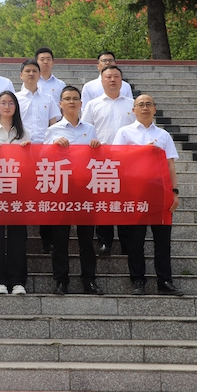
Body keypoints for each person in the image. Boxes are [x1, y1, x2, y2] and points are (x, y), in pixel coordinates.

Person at [113, 94, 182, 296]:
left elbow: (170, 165)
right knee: (136, 241)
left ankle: (165, 281)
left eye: (148, 104)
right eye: (141, 104)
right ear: (133, 110)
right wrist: (143, 151)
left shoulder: (163, 135)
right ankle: (138, 280)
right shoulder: (124, 132)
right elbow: (116, 158)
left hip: (160, 193)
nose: (145, 108)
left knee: (163, 241)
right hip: (134, 192)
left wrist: (174, 192)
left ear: (155, 109)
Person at [43, 86, 104, 295]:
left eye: (75, 99)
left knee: (86, 239)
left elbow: (98, 159)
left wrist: (97, 147)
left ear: (81, 103)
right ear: (60, 104)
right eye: (67, 99)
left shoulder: (90, 129)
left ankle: (89, 281)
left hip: (85, 188)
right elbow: (42, 158)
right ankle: (61, 281)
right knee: (60, 239)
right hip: (61, 188)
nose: (71, 102)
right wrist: (53, 146)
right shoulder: (53, 131)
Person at [81, 65, 135, 256]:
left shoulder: (132, 104)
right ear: (102, 80)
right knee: (104, 201)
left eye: (116, 76)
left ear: (122, 80)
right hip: (101, 159)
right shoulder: (93, 104)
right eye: (108, 77)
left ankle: (127, 242)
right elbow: (85, 130)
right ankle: (105, 242)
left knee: (125, 201)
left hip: (127, 160)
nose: (112, 80)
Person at [0, 90, 30, 295]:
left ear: (16, 107)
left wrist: (27, 151)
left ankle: (18, 281)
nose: (7, 106)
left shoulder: (24, 132)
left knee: (18, 236)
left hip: (18, 190)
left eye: (11, 103)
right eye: (3, 103)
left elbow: (31, 164)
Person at [14, 59, 61, 254]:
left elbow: (54, 125)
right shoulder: (15, 99)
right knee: (21, 193)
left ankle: (47, 240)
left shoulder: (48, 99)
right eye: (27, 71)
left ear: (40, 74)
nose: (31, 74)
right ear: (21, 75)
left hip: (44, 152)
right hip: (21, 151)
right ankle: (20, 239)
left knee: (45, 194)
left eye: (35, 71)